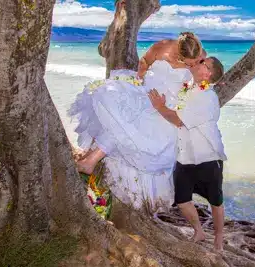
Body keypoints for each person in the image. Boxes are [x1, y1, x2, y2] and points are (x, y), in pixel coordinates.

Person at [68, 32, 205, 212]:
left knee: (139, 125)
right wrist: (140, 80)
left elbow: (202, 80)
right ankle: (89, 161)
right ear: (179, 54)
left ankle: (90, 161)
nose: (193, 65)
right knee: (121, 114)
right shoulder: (161, 47)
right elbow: (145, 62)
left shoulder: (199, 53)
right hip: (145, 93)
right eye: (189, 62)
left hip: (167, 105)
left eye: (195, 61)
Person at [148, 57, 226, 251]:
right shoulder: (188, 88)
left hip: (207, 156)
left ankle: (218, 238)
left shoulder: (207, 97)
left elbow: (178, 120)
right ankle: (198, 231)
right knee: (182, 200)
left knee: (216, 201)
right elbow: (177, 109)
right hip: (184, 155)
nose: (198, 62)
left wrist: (159, 107)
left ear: (207, 74)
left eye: (203, 62)